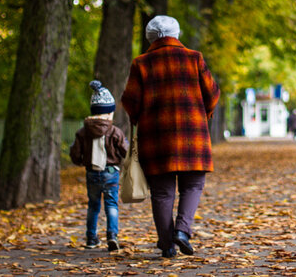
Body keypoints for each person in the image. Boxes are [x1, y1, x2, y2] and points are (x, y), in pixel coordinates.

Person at [121, 16, 220, 259]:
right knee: (193, 185)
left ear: (150, 37)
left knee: (162, 192)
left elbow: (130, 102)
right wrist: (204, 112)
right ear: (176, 34)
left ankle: (167, 245)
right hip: (192, 135)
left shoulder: (141, 63)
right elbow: (213, 93)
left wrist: (139, 116)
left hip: (156, 138)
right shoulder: (193, 58)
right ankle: (182, 232)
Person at [70, 80, 128, 252]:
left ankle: (91, 238)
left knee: (93, 205)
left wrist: (81, 162)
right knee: (111, 204)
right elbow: (125, 151)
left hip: (92, 174)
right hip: (111, 173)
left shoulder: (82, 131)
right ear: (109, 112)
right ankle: (112, 235)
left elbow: (75, 153)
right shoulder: (115, 131)